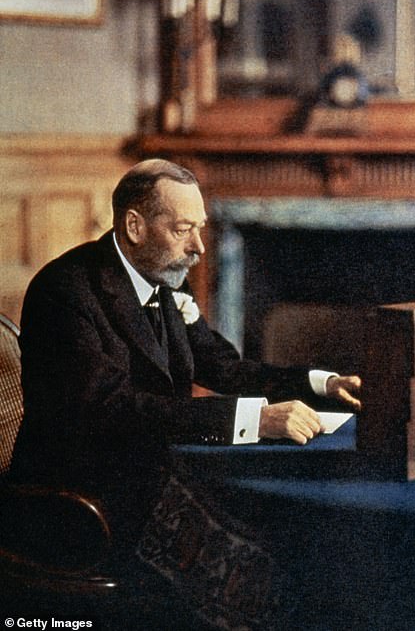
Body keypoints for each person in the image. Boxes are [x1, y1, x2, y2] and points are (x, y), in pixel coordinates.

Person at [10, 159, 361, 624]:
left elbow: (225, 368)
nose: (198, 247)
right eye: (182, 230)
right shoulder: (66, 292)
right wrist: (255, 420)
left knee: (289, 536)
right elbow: (111, 409)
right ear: (135, 225)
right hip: (79, 502)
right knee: (266, 562)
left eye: (200, 228)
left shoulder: (166, 275)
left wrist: (322, 383)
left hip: (150, 474)